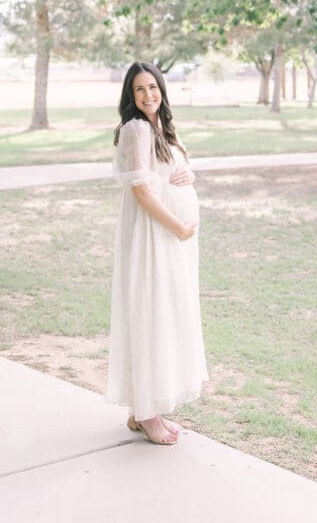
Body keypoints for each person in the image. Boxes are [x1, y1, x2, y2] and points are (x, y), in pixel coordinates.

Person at [106, 61, 208, 445]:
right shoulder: (135, 129)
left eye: (153, 87)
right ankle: (147, 414)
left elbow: (166, 174)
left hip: (170, 240)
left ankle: (142, 410)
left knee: (163, 314)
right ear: (130, 97)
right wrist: (179, 226)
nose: (148, 95)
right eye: (139, 90)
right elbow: (142, 193)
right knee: (151, 314)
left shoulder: (159, 127)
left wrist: (189, 175)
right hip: (154, 237)